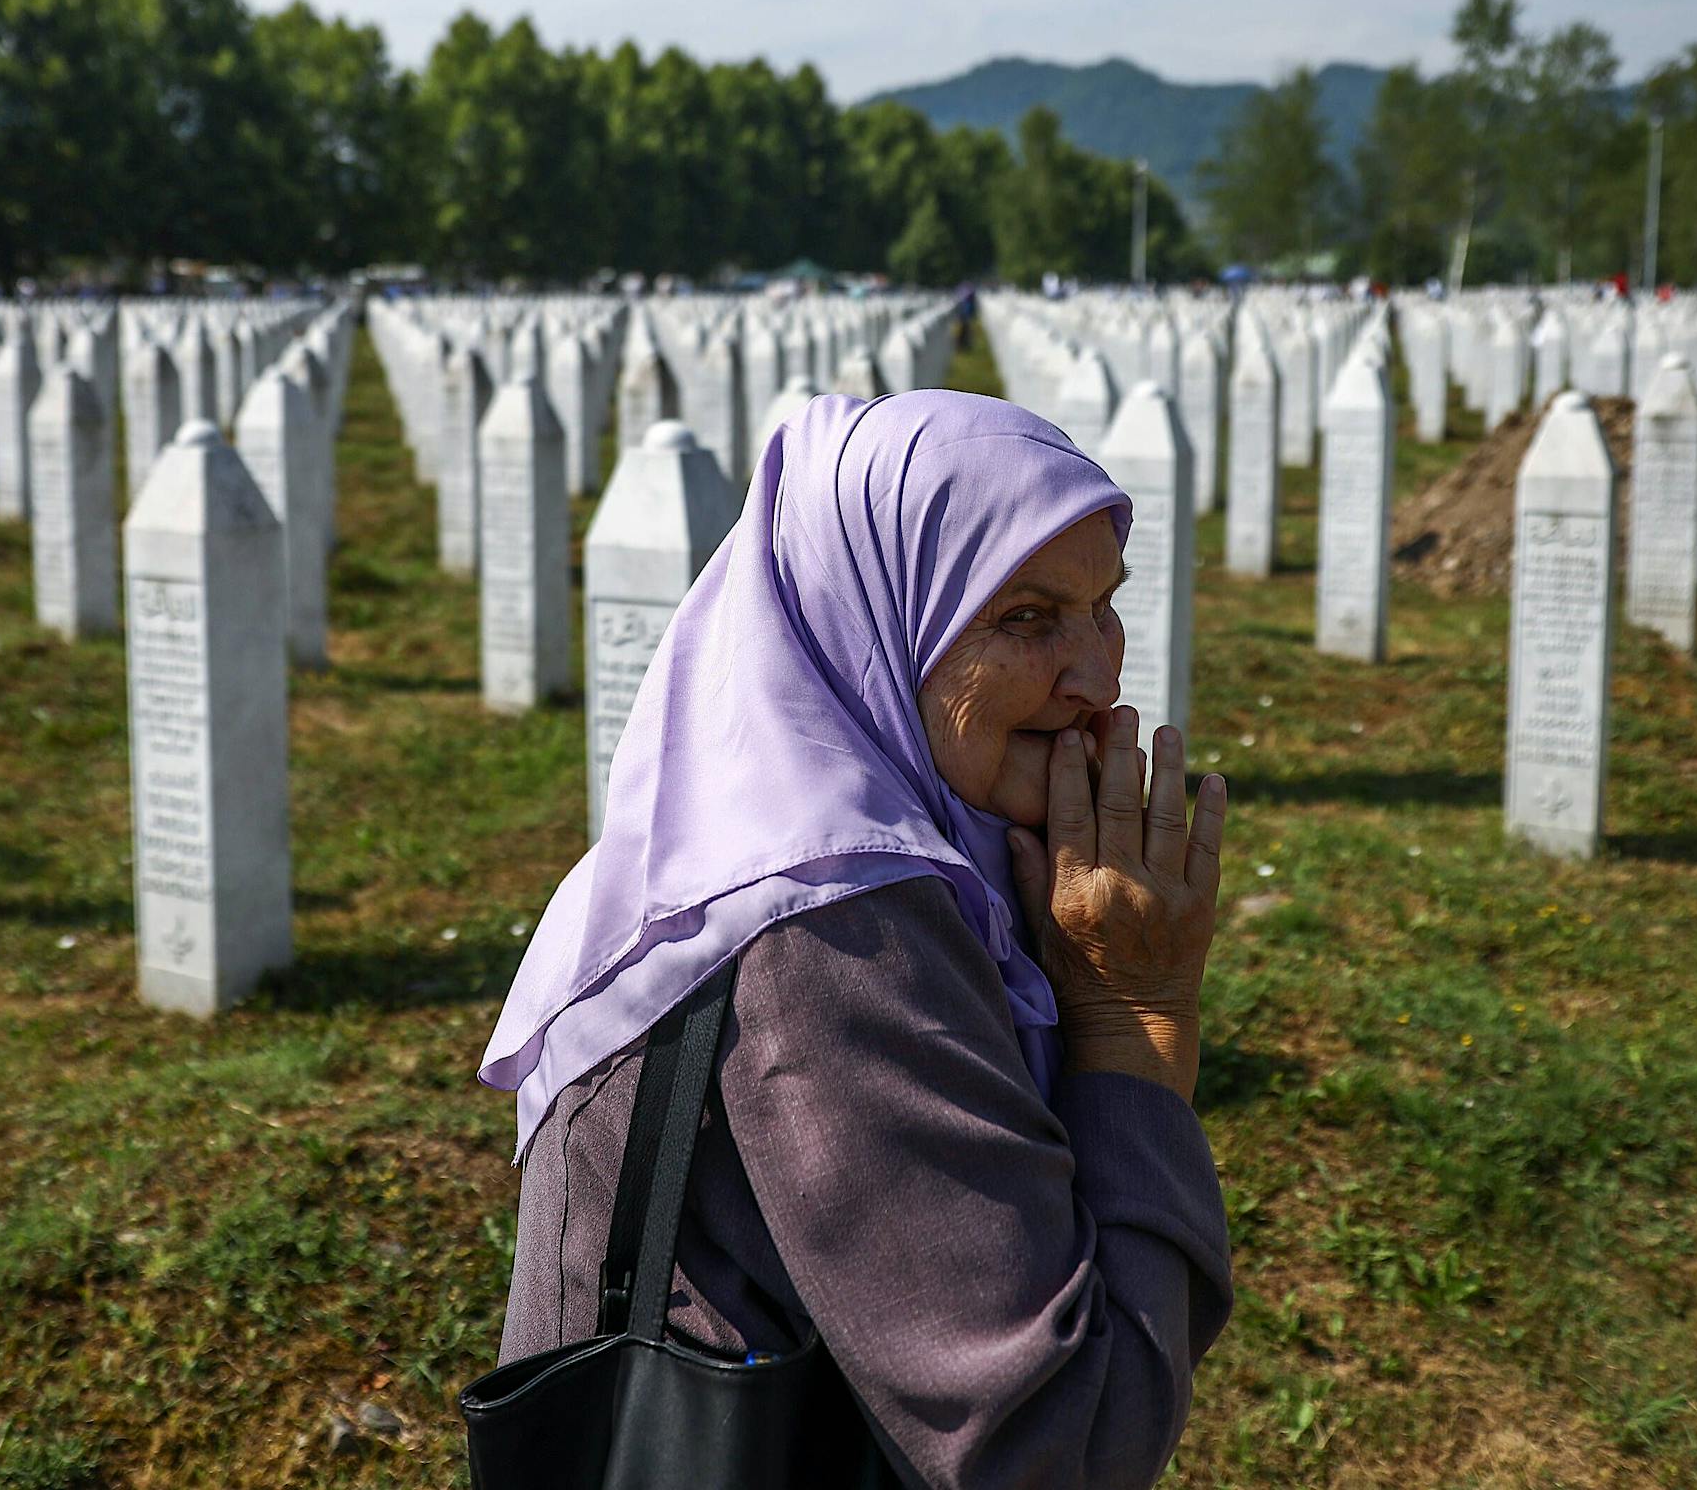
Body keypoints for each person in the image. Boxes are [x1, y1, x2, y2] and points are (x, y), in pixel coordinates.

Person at [479, 391, 1233, 1489]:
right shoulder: (830, 938)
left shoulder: (825, 841)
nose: (1098, 676)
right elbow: (1057, 1444)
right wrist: (1134, 1012)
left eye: (1101, 606)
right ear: (873, 613)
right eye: (1023, 616)